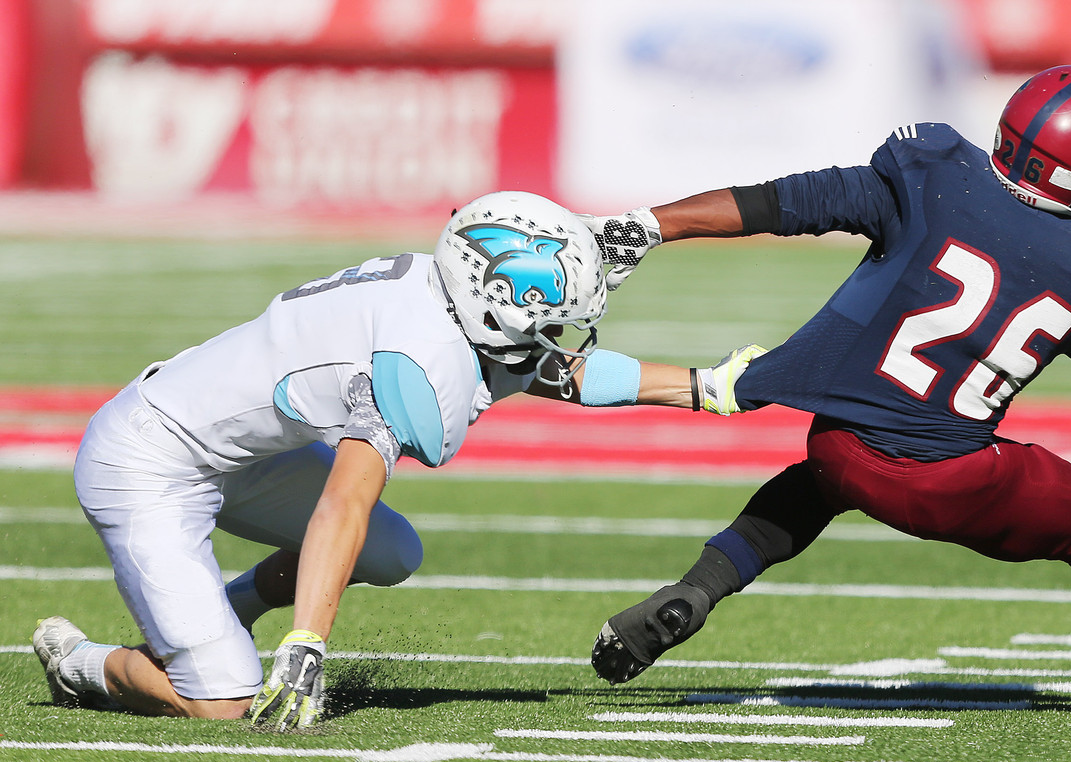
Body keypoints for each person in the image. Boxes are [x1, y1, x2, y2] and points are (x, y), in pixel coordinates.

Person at [582, 65, 1071, 717]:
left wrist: (653, 225)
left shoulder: (933, 173)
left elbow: (789, 202)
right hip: (946, 478)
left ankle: (698, 588)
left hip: (837, 442)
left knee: (817, 484)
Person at [32, 190, 764, 731]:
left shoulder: (443, 298)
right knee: (225, 698)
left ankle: (231, 607)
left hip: (237, 448)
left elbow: (555, 372)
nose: (561, 335)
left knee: (390, 550)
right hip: (148, 457)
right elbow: (343, 501)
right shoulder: (415, 356)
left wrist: (702, 389)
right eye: (550, 319)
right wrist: (308, 642)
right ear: (495, 299)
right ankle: (82, 662)